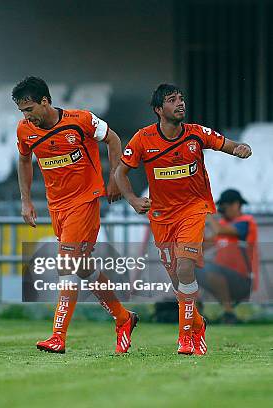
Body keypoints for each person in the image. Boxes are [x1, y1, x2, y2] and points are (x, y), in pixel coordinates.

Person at [115, 84, 252, 355]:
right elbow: (120, 173)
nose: (180, 103)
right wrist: (132, 199)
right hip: (161, 216)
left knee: (186, 269)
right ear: (158, 110)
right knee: (179, 280)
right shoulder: (143, 139)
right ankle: (198, 323)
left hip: (193, 209)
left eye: (181, 99)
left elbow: (226, 144)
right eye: (171, 100)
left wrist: (240, 148)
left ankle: (186, 337)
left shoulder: (196, 133)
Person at [13, 76, 138, 354]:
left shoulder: (80, 120)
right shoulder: (24, 130)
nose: (26, 116)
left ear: (45, 101)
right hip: (56, 206)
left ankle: (58, 336)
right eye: (22, 111)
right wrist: (26, 201)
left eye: (30, 109)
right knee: (82, 267)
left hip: (85, 201)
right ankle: (123, 317)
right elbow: (23, 160)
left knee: (66, 264)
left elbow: (114, 139)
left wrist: (115, 179)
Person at [198, 189, 258, 324]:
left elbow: (220, 230)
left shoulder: (246, 222)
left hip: (243, 280)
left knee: (211, 269)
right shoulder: (223, 225)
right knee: (189, 269)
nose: (221, 211)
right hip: (223, 277)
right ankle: (196, 314)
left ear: (236, 205)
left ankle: (229, 313)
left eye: (223, 207)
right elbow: (203, 245)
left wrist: (207, 214)